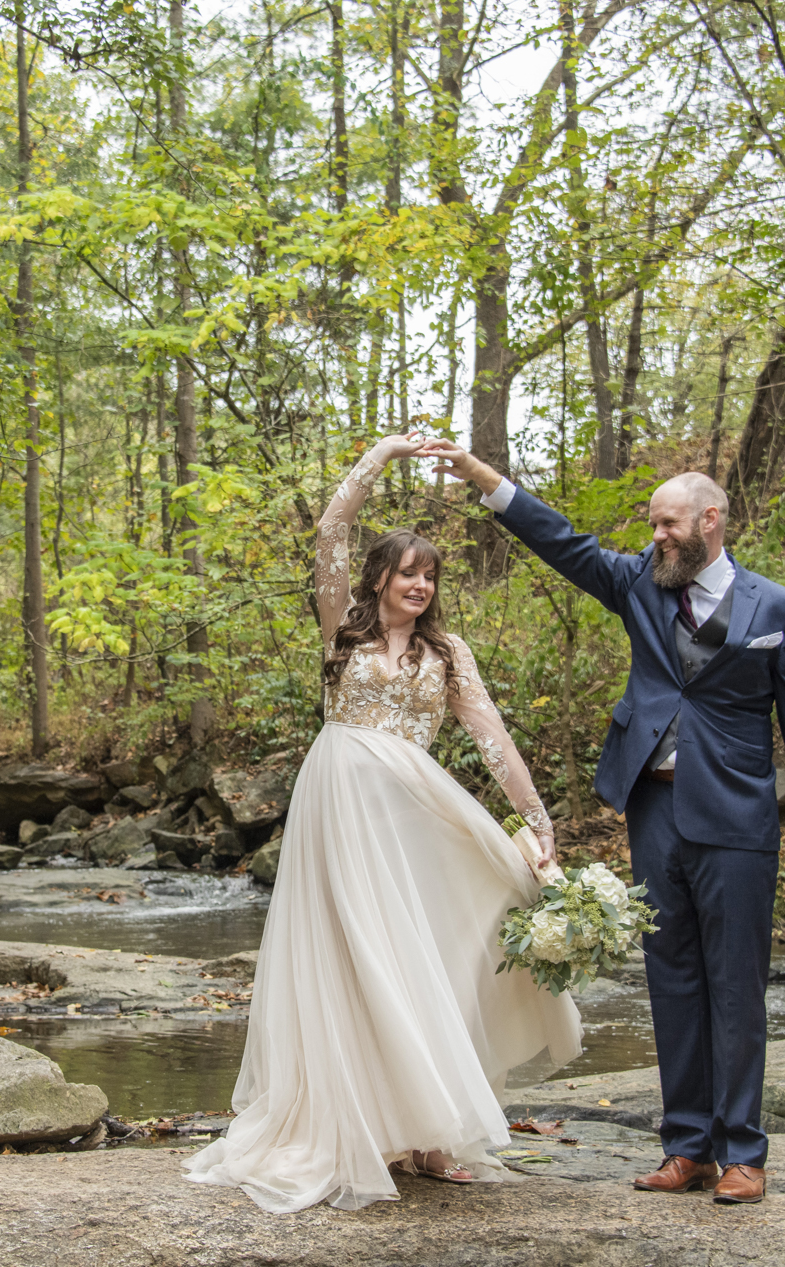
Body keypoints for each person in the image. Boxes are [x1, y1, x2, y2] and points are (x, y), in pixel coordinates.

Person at [425, 444, 785, 1206]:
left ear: (710, 520)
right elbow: (564, 543)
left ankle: (744, 1150)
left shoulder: (776, 608)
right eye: (652, 523)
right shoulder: (639, 585)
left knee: (737, 983)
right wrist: (487, 481)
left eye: (667, 522)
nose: (654, 535)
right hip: (654, 811)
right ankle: (688, 1147)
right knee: (672, 977)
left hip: (739, 817)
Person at [183, 431, 582, 1213]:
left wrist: (537, 823)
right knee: (354, 956)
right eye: (408, 572)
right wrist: (385, 457)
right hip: (339, 806)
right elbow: (332, 529)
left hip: (418, 813)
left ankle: (432, 1134)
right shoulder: (343, 627)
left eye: (431, 575)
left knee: (426, 954)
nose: (421, 585)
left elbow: (492, 738)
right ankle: (357, 1123)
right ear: (379, 578)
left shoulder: (449, 652)